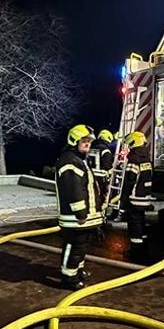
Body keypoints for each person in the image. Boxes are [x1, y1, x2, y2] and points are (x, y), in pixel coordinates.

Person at [55, 124, 103, 290]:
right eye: (84, 141)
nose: (87, 144)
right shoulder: (69, 162)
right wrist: (80, 212)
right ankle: (68, 278)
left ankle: (77, 270)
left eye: (89, 141)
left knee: (81, 246)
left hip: (83, 217)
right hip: (74, 217)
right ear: (74, 141)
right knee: (73, 246)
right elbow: (73, 190)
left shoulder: (78, 160)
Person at [121, 131, 154, 258]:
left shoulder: (134, 160)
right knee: (141, 223)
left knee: (134, 226)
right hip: (145, 198)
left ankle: (136, 252)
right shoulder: (147, 159)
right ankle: (144, 248)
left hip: (134, 199)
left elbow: (129, 182)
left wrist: (123, 201)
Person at [87, 129, 116, 207]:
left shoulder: (90, 148)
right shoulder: (106, 150)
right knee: (101, 198)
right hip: (101, 178)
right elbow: (107, 165)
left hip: (90, 176)